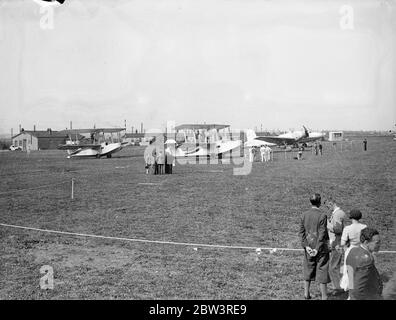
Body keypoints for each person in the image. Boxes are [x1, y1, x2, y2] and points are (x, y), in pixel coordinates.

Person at [299, 193, 330, 300]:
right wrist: (317, 249)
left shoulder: (304, 215)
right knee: (322, 270)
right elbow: (322, 234)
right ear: (320, 202)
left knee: (308, 269)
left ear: (310, 202)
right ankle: (324, 296)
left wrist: (307, 246)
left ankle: (306, 294)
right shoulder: (322, 215)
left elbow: (301, 233)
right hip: (320, 248)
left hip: (309, 247)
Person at [346, 227, 383, 300]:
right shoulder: (366, 260)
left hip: (353, 294)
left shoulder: (352, 251)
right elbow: (359, 287)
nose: (379, 245)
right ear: (366, 242)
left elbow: (350, 276)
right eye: (377, 243)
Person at [339, 209, 367, 293]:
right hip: (362, 250)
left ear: (351, 218)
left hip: (351, 250)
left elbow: (342, 242)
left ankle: (350, 293)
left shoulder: (347, 228)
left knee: (350, 271)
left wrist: (347, 243)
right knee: (361, 270)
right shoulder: (364, 227)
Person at [325, 200, 346, 294]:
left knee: (333, 267)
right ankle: (338, 287)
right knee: (335, 266)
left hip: (337, 244)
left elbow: (338, 229)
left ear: (331, 204)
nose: (328, 209)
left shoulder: (337, 214)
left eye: (327, 206)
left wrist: (327, 224)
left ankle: (338, 288)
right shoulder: (338, 213)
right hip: (337, 243)